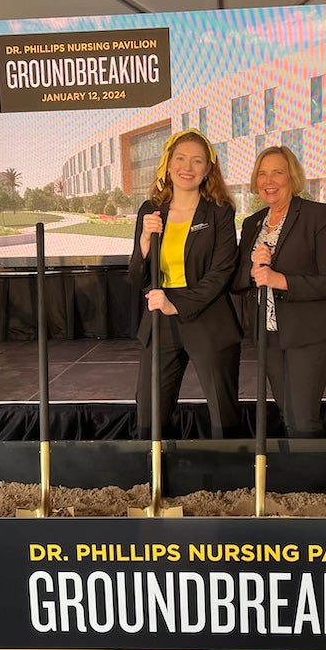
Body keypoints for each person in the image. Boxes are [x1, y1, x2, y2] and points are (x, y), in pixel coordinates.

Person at [129, 129, 241, 438]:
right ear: (167, 164)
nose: (187, 167)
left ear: (208, 169)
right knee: (150, 412)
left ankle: (231, 483)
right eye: (180, 158)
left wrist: (176, 303)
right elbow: (137, 276)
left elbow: (222, 272)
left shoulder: (220, 211)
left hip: (208, 317)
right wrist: (144, 243)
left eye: (196, 161)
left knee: (223, 412)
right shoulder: (149, 211)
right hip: (159, 321)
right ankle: (157, 481)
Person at [233, 146, 326, 438]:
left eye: (277, 172)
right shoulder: (252, 224)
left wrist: (280, 279)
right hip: (269, 335)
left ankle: (310, 483)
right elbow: (237, 281)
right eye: (262, 173)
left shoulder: (318, 215)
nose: (268, 180)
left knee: (303, 418)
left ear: (292, 176)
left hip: (310, 333)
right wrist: (252, 268)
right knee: (287, 413)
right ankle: (296, 479)